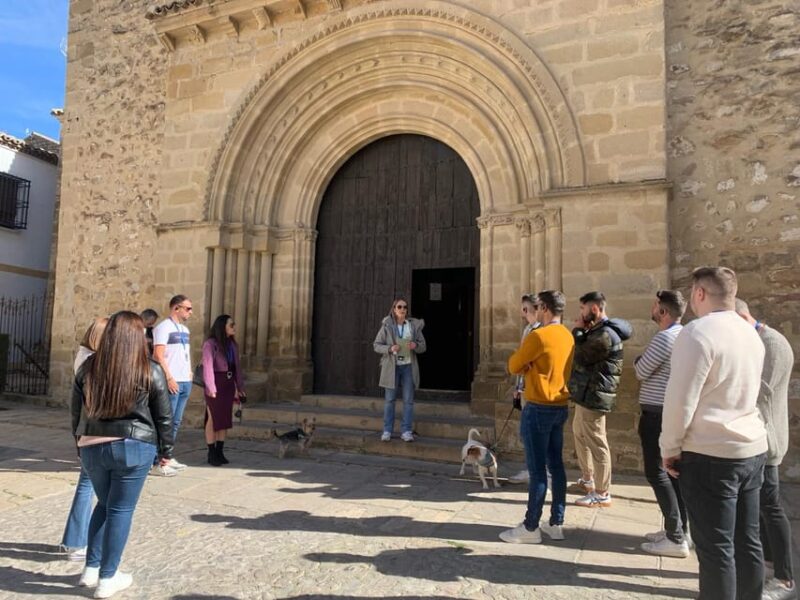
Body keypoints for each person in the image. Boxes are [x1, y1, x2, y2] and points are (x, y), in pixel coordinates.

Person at [660, 267, 767, 600]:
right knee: (747, 541)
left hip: (711, 453)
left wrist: (669, 447)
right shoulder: (750, 331)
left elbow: (680, 399)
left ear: (700, 293)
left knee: (716, 548)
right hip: (751, 447)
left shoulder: (697, 333)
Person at [71, 311, 174, 598]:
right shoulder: (148, 368)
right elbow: (163, 416)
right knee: (119, 509)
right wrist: (166, 452)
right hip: (133, 446)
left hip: (91, 445)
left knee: (103, 505)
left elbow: (75, 410)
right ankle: (108, 577)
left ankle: (90, 569)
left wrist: (77, 444)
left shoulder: (88, 367)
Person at [499, 291, 574, 544]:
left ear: (543, 307)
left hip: (539, 405)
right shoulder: (567, 335)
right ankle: (556, 522)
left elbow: (514, 365)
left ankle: (531, 526)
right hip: (560, 405)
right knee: (557, 467)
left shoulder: (538, 335)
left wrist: (525, 365)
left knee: (537, 470)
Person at [735, 298, 795, 600]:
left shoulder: (772, 344)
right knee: (759, 508)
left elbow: (760, 393)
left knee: (771, 507)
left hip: (768, 440)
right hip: (755, 438)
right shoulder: (758, 342)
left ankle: (785, 578)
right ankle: (769, 564)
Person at [634, 290, 690, 558]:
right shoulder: (685, 335)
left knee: (656, 472)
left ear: (664, 312)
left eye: (656, 305)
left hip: (656, 414)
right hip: (672, 413)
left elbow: (641, 370)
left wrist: (638, 362)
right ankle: (680, 530)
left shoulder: (664, 338)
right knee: (673, 474)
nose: (653, 308)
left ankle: (674, 536)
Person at [568, 291, 632, 508]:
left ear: (594, 309)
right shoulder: (597, 331)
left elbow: (582, 355)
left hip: (595, 396)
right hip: (585, 394)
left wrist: (577, 331)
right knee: (579, 433)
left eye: (582, 309)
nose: (580, 314)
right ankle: (588, 479)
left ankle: (603, 492)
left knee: (596, 442)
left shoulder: (605, 335)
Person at [60, 317, 108, 562]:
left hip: (86, 432)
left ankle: (75, 540)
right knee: (87, 487)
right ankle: (76, 541)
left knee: (87, 486)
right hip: (93, 432)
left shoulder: (85, 356)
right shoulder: (91, 361)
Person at [373, 298, 426, 442]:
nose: (402, 309)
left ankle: (406, 431)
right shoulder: (387, 326)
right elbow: (376, 345)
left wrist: (415, 345)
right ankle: (387, 430)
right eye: (399, 307)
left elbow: (423, 346)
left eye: (405, 307)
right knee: (390, 400)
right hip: (392, 367)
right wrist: (390, 348)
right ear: (394, 309)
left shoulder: (413, 326)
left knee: (408, 401)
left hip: (408, 367)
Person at [151, 294, 192, 475]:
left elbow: (184, 354)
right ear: (176, 308)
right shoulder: (163, 328)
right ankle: (156, 461)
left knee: (175, 422)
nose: (190, 312)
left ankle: (167, 456)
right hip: (172, 381)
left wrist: (189, 373)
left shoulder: (184, 330)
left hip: (185, 380)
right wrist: (168, 377)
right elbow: (158, 355)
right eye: (188, 308)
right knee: (165, 422)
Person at [201, 314, 245, 466]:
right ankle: (211, 452)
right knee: (213, 418)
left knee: (225, 419)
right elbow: (207, 367)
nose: (234, 327)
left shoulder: (233, 345)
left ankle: (220, 451)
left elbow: (237, 368)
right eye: (231, 325)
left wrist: (240, 387)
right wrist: (211, 387)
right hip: (216, 383)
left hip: (228, 384)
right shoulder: (210, 344)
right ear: (222, 327)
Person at [508, 293, 541, 485]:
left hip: (535, 390)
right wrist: (518, 386)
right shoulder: (528, 329)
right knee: (527, 431)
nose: (522, 314)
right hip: (525, 388)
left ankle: (541, 471)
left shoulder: (540, 331)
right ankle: (531, 468)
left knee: (534, 431)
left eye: (524, 309)